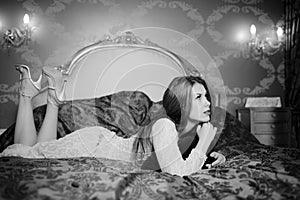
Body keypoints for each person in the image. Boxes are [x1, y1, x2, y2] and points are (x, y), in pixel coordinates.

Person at [1, 65, 225, 176]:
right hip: (94, 146)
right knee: (26, 151)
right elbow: (176, 173)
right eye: (199, 97)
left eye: (206, 96)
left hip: (100, 145)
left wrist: (210, 157)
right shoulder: (164, 125)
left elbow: (182, 164)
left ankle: (50, 96)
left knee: (38, 148)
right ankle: (29, 94)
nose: (207, 102)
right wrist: (204, 143)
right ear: (183, 103)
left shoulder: (184, 136)